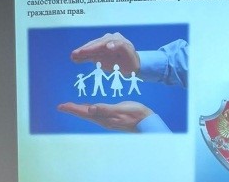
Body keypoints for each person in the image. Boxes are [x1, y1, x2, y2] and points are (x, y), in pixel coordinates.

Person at [58, 33, 188, 132]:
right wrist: (138, 62)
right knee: (104, 88)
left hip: (116, 82)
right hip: (106, 81)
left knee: (116, 88)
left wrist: (143, 122)